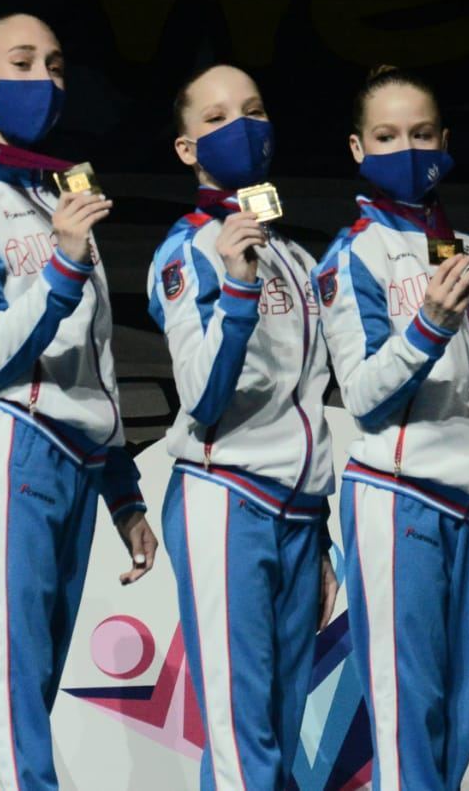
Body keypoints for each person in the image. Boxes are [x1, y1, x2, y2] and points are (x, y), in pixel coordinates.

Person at [0, 13, 155, 791]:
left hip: (77, 459)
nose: (44, 80)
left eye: (54, 64)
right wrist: (61, 261)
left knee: (17, 682)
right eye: (20, 63)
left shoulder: (59, 196)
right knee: (9, 679)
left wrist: (122, 489)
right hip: (8, 443)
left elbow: (99, 356)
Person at [312, 66, 469, 791]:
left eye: (422, 134)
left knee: (460, 717)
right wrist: (429, 324)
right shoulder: (350, 256)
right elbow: (363, 397)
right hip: (400, 502)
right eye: (389, 136)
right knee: (406, 715)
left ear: (446, 142)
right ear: (359, 148)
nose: (409, 149)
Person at [148, 63, 337, 789]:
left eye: (254, 110)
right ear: (186, 148)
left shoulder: (295, 256)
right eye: (218, 118)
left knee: (278, 738)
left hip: (296, 516)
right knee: (241, 739)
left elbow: (309, 401)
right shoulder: (188, 250)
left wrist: (317, 533)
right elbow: (201, 395)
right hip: (224, 498)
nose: (244, 128)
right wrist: (236, 286)